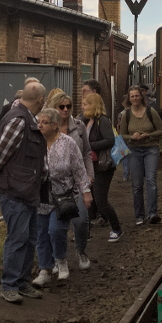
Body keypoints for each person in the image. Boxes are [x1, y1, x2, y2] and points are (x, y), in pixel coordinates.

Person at [0, 80, 47, 304]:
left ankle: (22, 282)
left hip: (26, 187)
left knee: (29, 237)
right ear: (41, 101)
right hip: (15, 188)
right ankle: (9, 285)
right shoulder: (19, 119)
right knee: (18, 237)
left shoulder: (24, 117)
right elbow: (2, 150)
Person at [32, 107, 92, 284]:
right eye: (38, 122)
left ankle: (61, 260)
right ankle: (45, 269)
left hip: (64, 196)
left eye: (44, 122)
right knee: (42, 233)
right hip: (41, 196)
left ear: (55, 125)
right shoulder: (35, 142)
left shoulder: (67, 143)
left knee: (56, 230)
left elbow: (79, 169)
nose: (40, 126)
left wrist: (86, 192)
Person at [46, 89, 93, 268]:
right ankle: (58, 259)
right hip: (55, 185)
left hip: (77, 182)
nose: (65, 110)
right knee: (55, 227)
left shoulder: (79, 126)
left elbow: (87, 153)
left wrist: (89, 176)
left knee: (80, 220)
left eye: (68, 106)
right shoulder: (46, 127)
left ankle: (81, 251)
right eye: (61, 107)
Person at [119, 85, 162, 225]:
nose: (135, 98)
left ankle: (152, 213)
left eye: (137, 96)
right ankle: (139, 215)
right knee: (137, 184)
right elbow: (122, 135)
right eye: (132, 96)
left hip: (151, 149)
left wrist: (148, 135)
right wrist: (132, 137)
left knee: (151, 180)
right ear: (129, 98)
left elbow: (161, 130)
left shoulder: (151, 112)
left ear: (141, 97)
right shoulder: (126, 115)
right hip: (134, 150)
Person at [84, 92, 123, 241]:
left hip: (103, 166)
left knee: (101, 200)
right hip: (91, 165)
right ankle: (85, 233)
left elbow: (109, 140)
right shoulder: (87, 120)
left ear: (93, 105)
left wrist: (89, 146)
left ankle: (117, 228)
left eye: (85, 104)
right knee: (88, 199)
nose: (82, 106)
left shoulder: (103, 121)